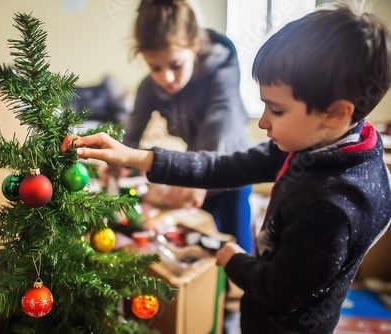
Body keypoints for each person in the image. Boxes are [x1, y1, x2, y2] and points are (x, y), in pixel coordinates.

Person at [62, 2, 391, 332]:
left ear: (335, 113)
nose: (262, 122)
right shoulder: (326, 142)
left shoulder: (331, 206)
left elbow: (281, 291)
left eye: (276, 110)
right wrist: (133, 156)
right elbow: (224, 165)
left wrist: (234, 259)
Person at [122, 0, 254, 253]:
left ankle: (239, 292)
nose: (166, 78)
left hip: (234, 167)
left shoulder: (220, 67)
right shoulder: (150, 87)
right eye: (155, 68)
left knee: (237, 244)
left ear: (194, 45)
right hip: (198, 167)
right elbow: (131, 134)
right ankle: (210, 290)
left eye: (175, 65)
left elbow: (218, 124)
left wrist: (196, 179)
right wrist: (117, 164)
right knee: (205, 243)